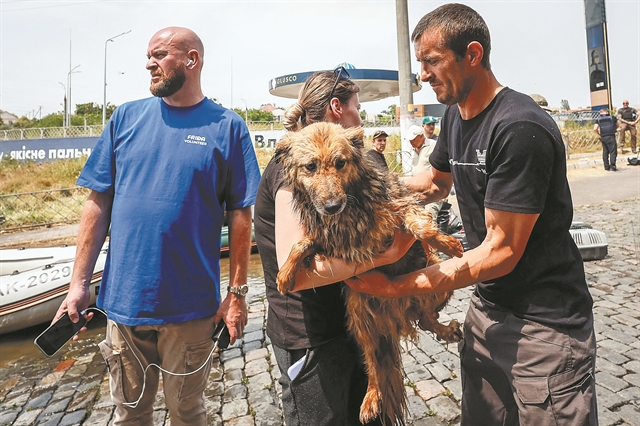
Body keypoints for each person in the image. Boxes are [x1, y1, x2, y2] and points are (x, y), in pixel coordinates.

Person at [345, 4, 597, 425]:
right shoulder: (457, 117)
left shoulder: (518, 127)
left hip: (545, 327)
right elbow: (435, 182)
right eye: (420, 63)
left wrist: (395, 288)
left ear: (473, 54)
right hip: (487, 311)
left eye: (431, 61)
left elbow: (501, 251)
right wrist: (366, 192)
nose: (422, 74)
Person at [53, 27, 261, 425]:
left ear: (191, 60)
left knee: (187, 411)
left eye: (160, 54)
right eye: (148, 55)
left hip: (192, 311)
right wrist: (78, 284)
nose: (149, 63)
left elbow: (241, 215)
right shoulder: (126, 118)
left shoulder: (228, 127)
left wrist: (236, 293)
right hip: (124, 304)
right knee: (129, 414)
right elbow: (97, 202)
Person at [254, 68, 406, 426]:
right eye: (357, 107)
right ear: (337, 108)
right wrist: (387, 255)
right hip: (312, 335)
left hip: (352, 321)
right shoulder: (293, 165)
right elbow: (298, 277)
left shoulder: (345, 159)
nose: (360, 117)